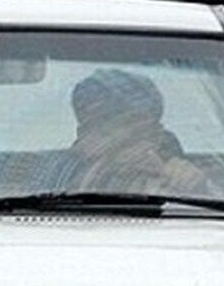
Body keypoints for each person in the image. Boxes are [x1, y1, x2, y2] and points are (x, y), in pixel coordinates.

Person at [66, 68, 207, 194]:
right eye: (98, 129)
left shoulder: (177, 175)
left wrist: (195, 186)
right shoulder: (60, 174)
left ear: (155, 134)